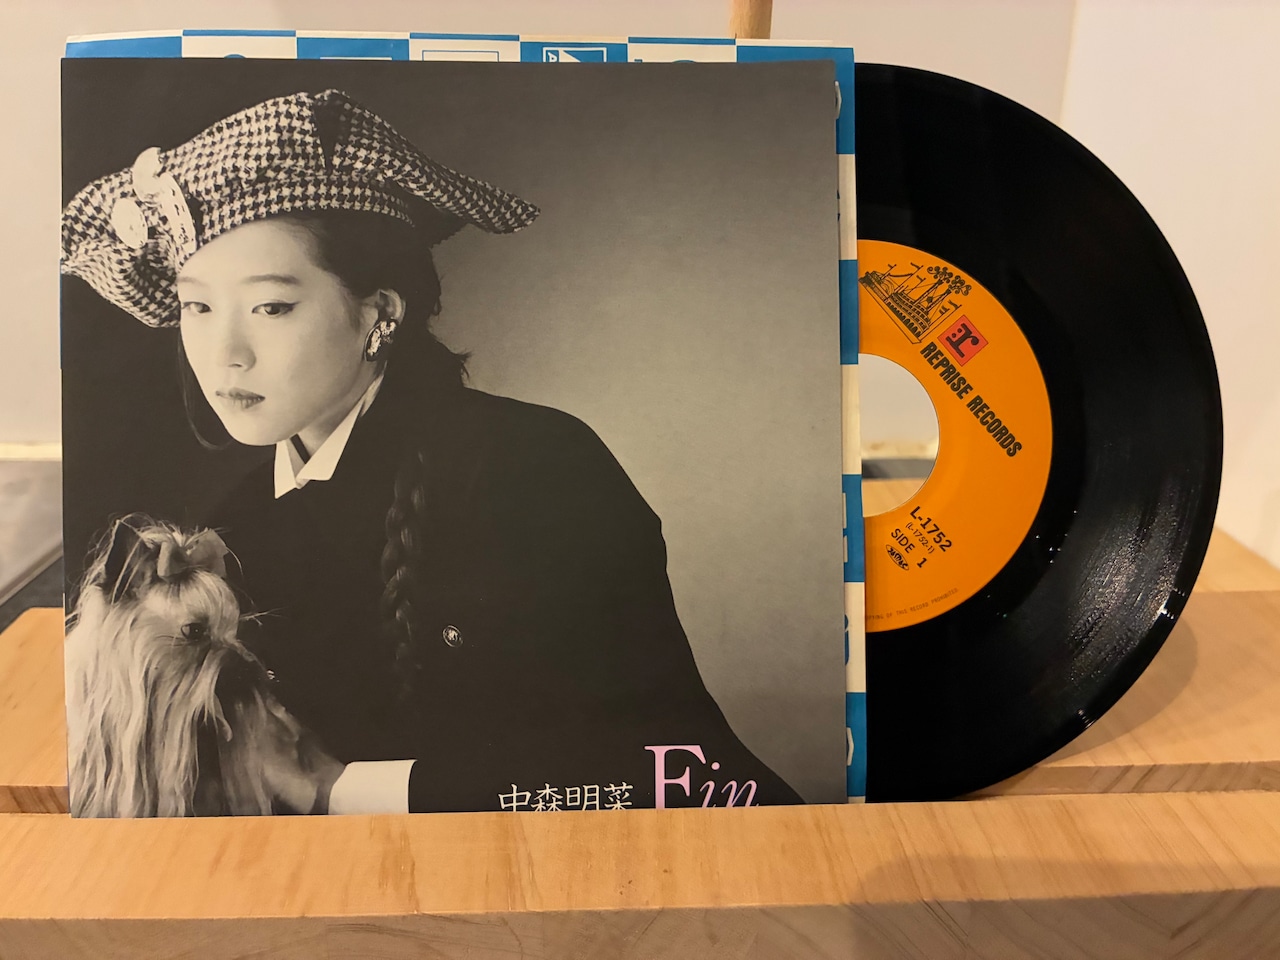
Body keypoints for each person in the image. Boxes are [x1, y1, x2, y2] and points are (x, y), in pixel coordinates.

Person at [62, 89, 801, 815]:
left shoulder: (540, 468)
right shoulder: (235, 525)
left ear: (379, 313)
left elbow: (670, 769)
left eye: (271, 307)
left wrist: (338, 789)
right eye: (197, 306)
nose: (225, 353)